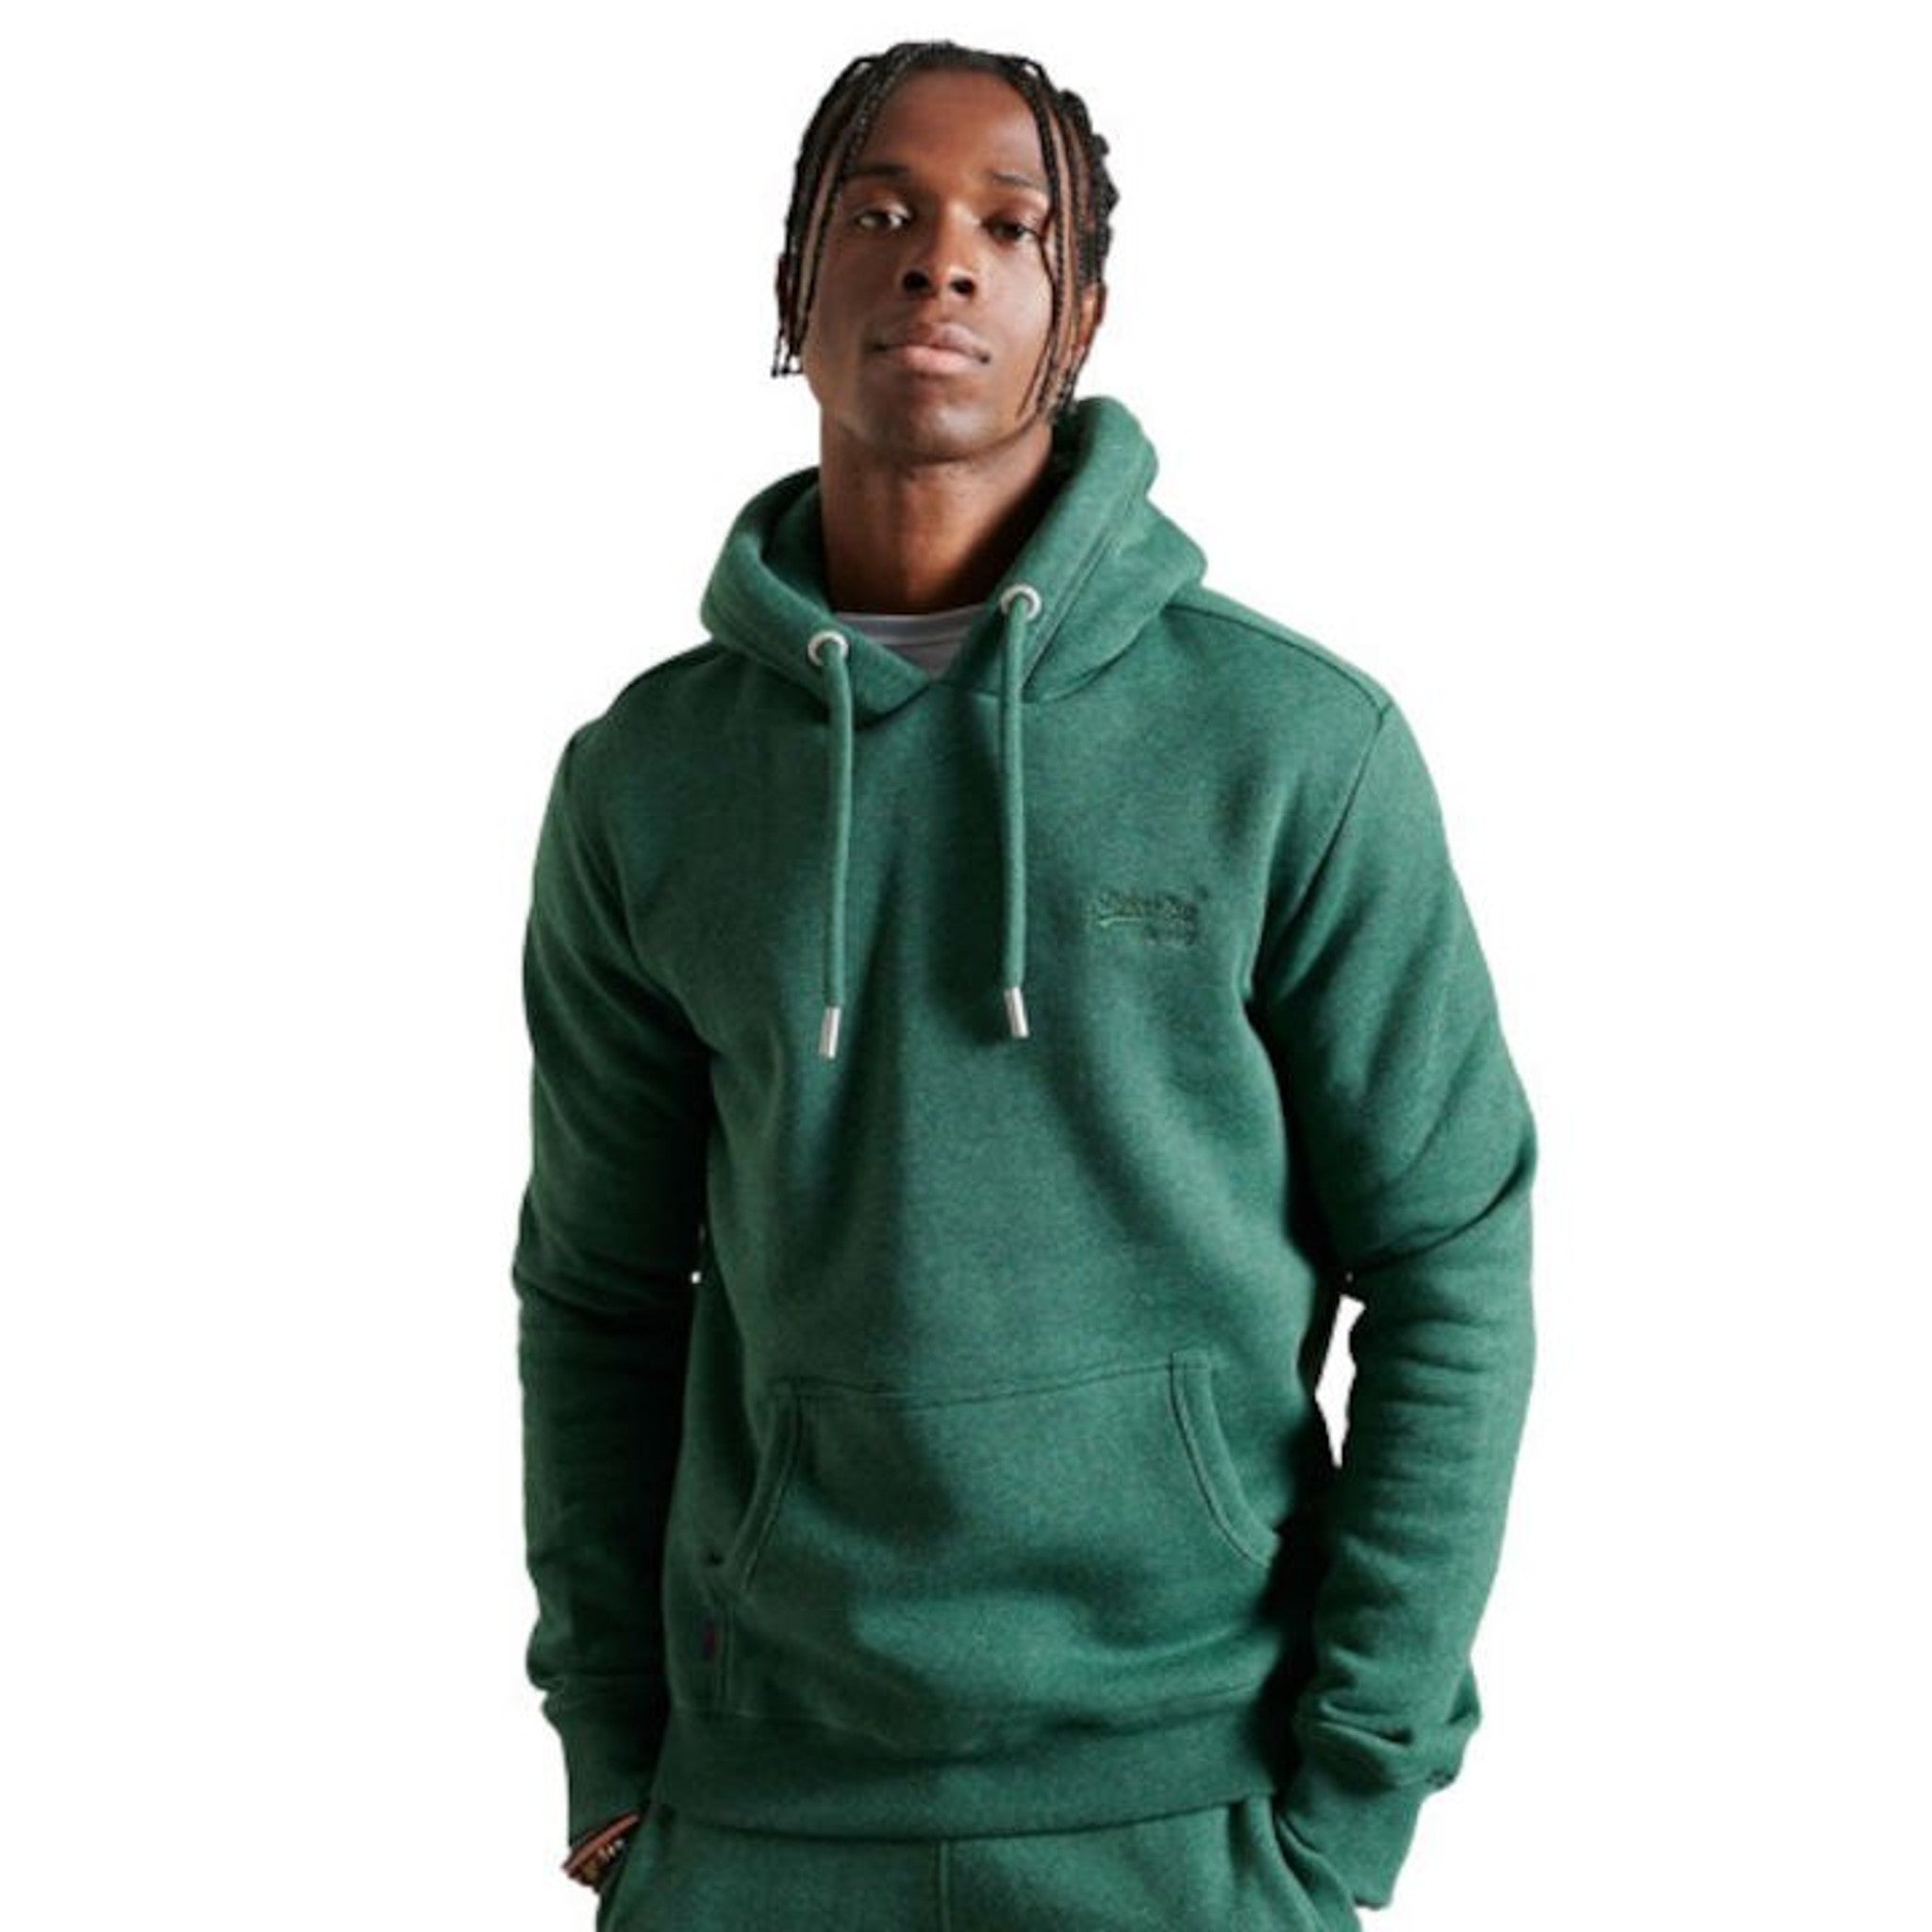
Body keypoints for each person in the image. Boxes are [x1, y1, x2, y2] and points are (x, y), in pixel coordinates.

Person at [514, 40, 1536, 1931]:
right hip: (760, 1817)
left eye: (1011, 225)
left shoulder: (1291, 749)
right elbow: (596, 1288)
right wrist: (609, 1751)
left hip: (1190, 1808)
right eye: (878, 213)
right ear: (793, 283)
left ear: (1083, 315)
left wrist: (1355, 1787)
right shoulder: (648, 785)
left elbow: (1451, 1261)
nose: (941, 260)